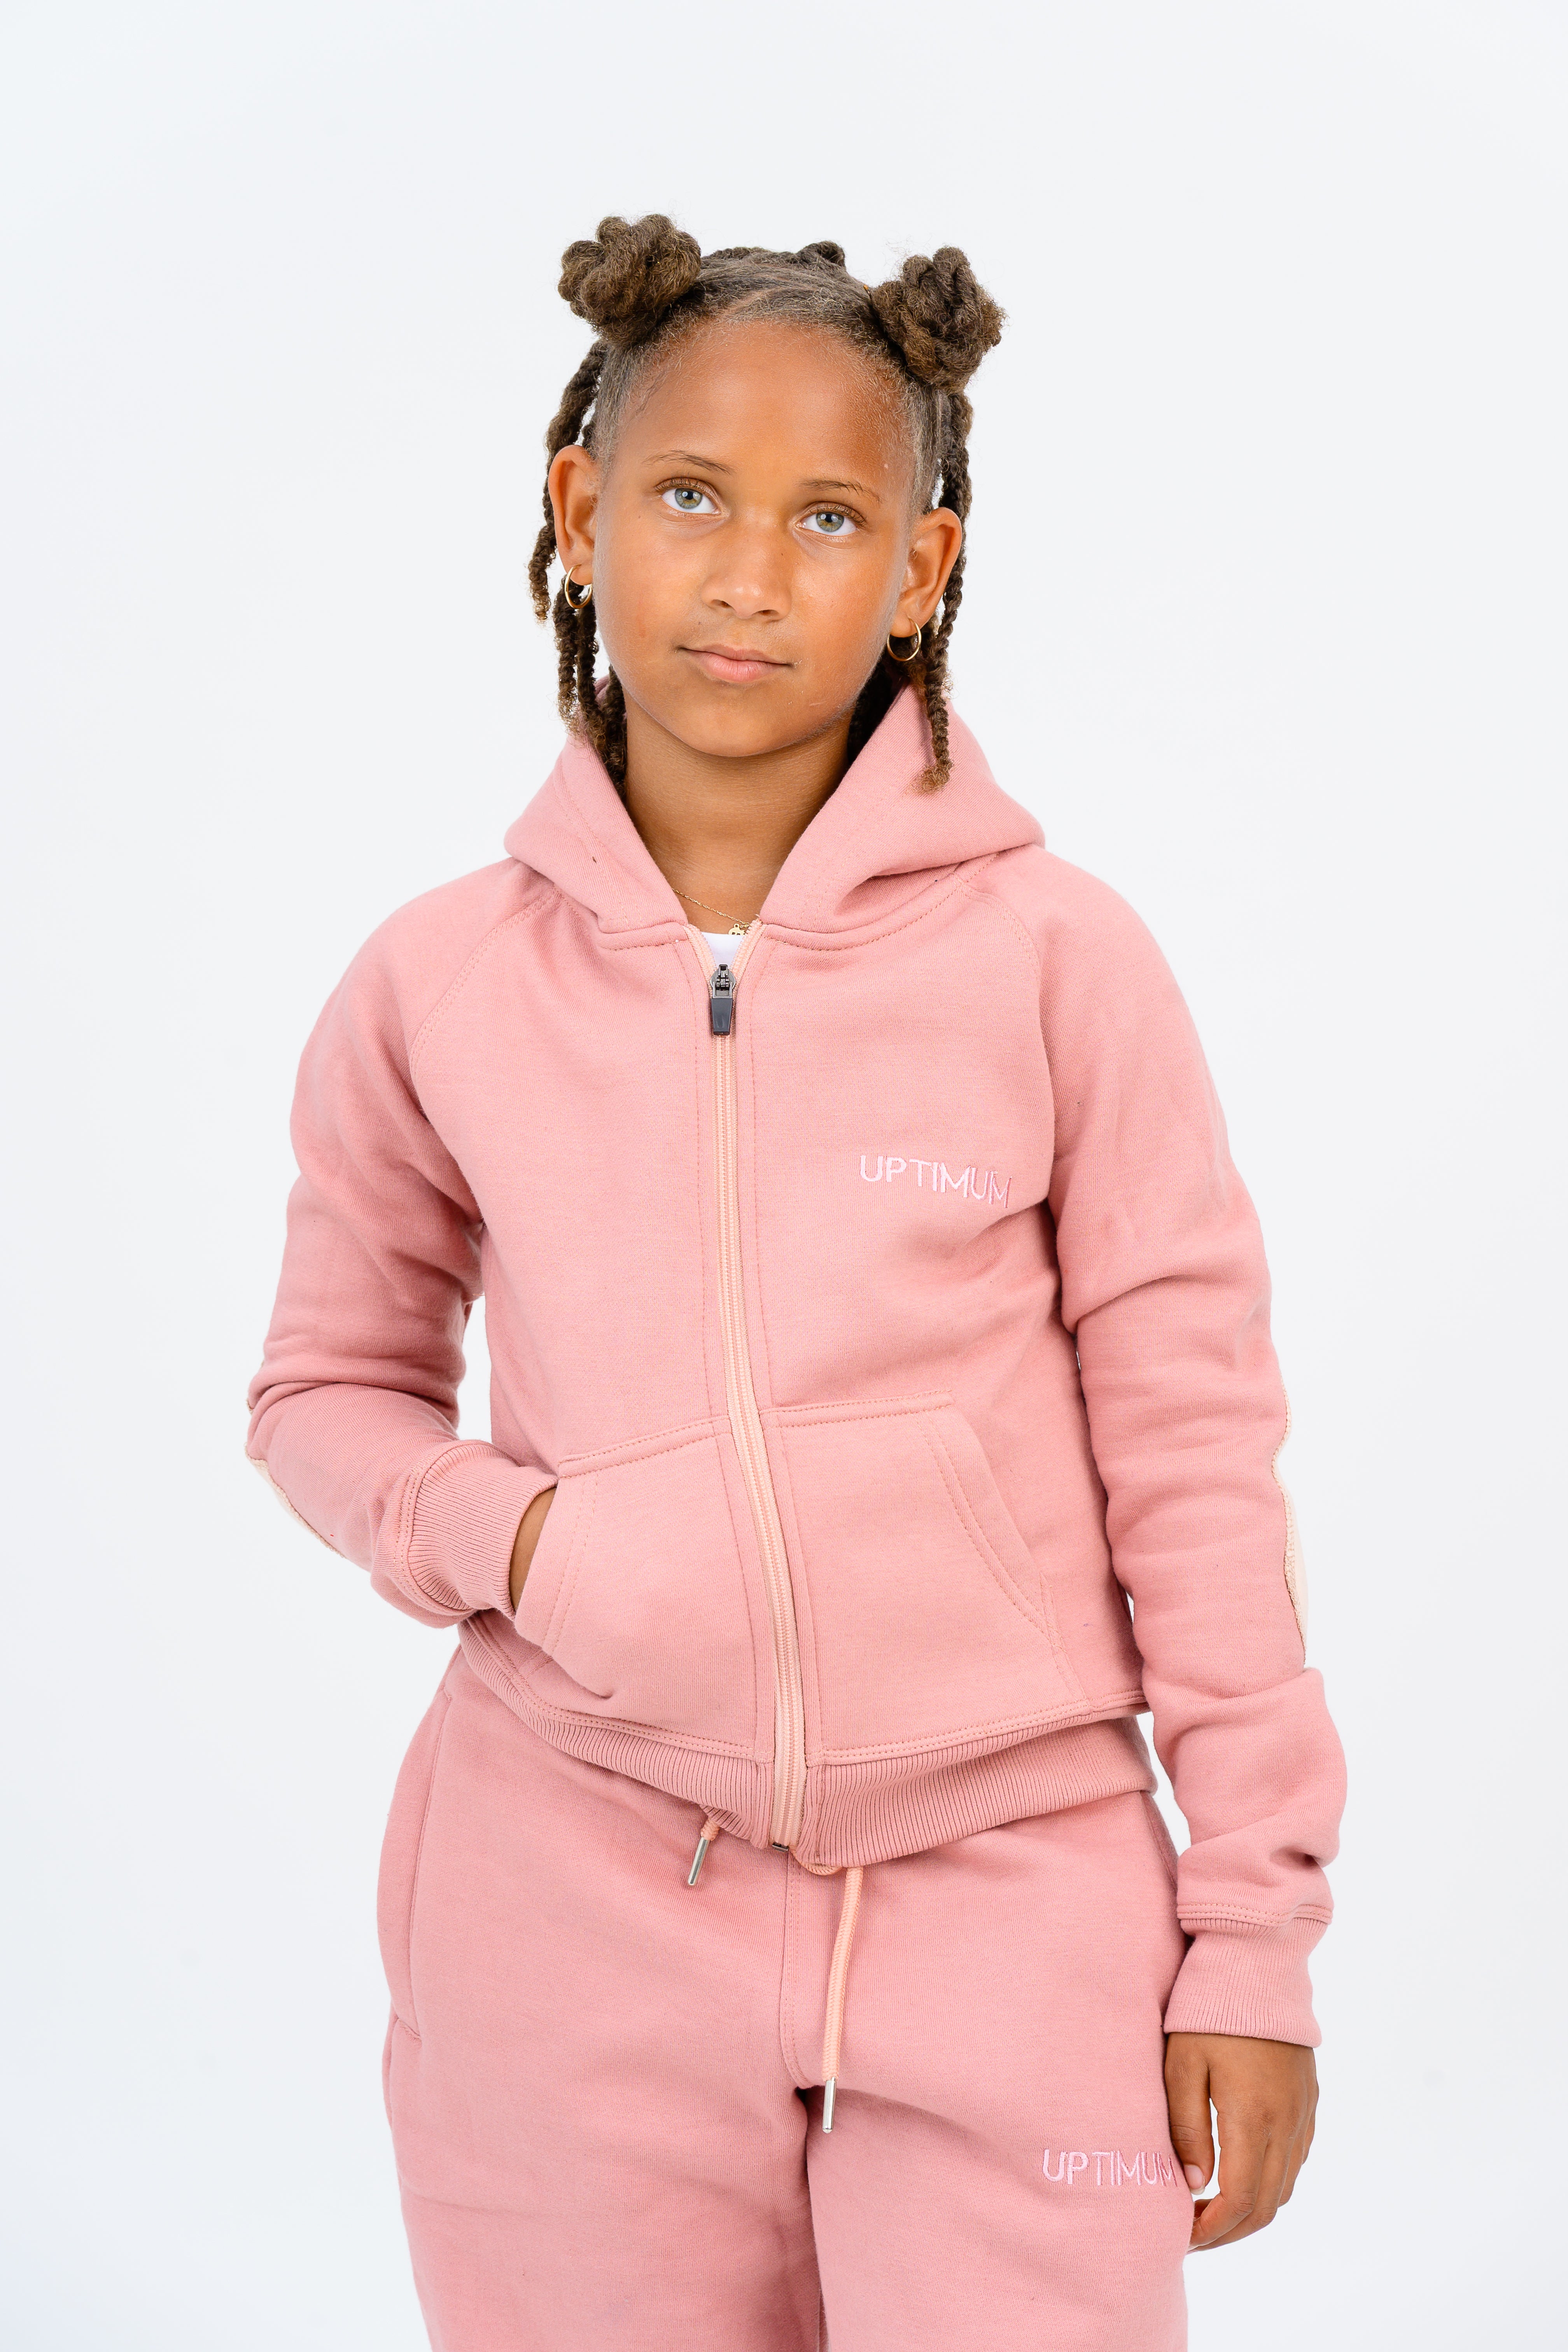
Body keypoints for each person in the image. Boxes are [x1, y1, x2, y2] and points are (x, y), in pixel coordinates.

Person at [248, 215, 1344, 2352]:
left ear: (921, 569)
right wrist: (517, 1540)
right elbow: (321, 1389)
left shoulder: (1061, 963)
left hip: (1016, 1897)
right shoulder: (437, 984)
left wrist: (1253, 1943)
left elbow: (1200, 1459)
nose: (751, 571)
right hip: (566, 1902)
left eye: (829, 517)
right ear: (581, 513)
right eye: (691, 495)